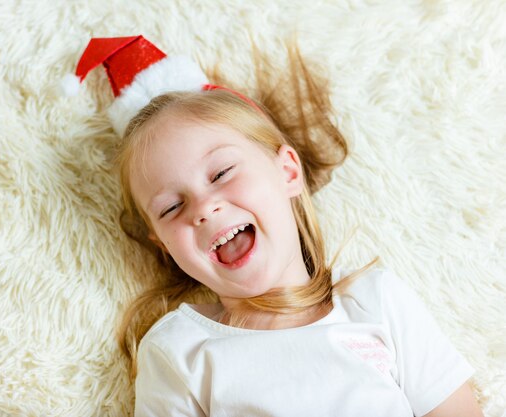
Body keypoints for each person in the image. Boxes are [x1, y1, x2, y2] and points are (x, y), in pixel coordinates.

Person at [68, 35, 484, 416]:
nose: (204, 208)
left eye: (221, 174)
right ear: (164, 245)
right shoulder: (180, 351)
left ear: (286, 171)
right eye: (172, 206)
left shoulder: (374, 302)